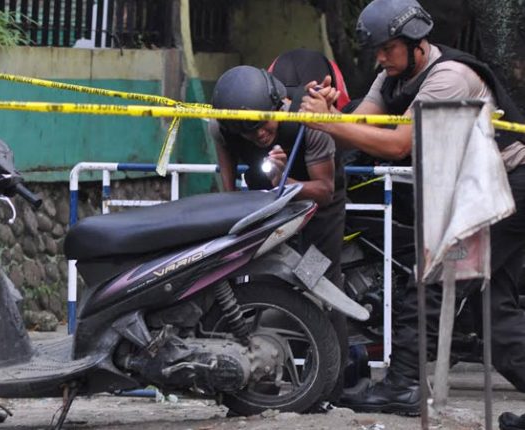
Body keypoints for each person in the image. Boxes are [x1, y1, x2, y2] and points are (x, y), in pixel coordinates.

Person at [299, 0, 525, 419]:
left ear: (416, 42)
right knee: (494, 314)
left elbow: (401, 144)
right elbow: (362, 125)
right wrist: (331, 113)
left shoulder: (451, 78)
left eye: (388, 48)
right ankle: (405, 384)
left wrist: (327, 123)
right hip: (480, 191)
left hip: (508, 189)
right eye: (378, 51)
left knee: (431, 280)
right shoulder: (391, 76)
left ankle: (404, 385)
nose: (381, 58)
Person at [209, 53, 348, 406]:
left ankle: (332, 390)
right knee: (263, 287)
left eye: (265, 124)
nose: (259, 134)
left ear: (278, 105)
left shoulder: (308, 119)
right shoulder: (222, 126)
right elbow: (227, 189)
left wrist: (284, 183)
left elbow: (324, 189)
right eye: (248, 128)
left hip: (319, 205)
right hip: (268, 206)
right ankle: (262, 388)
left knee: (323, 286)